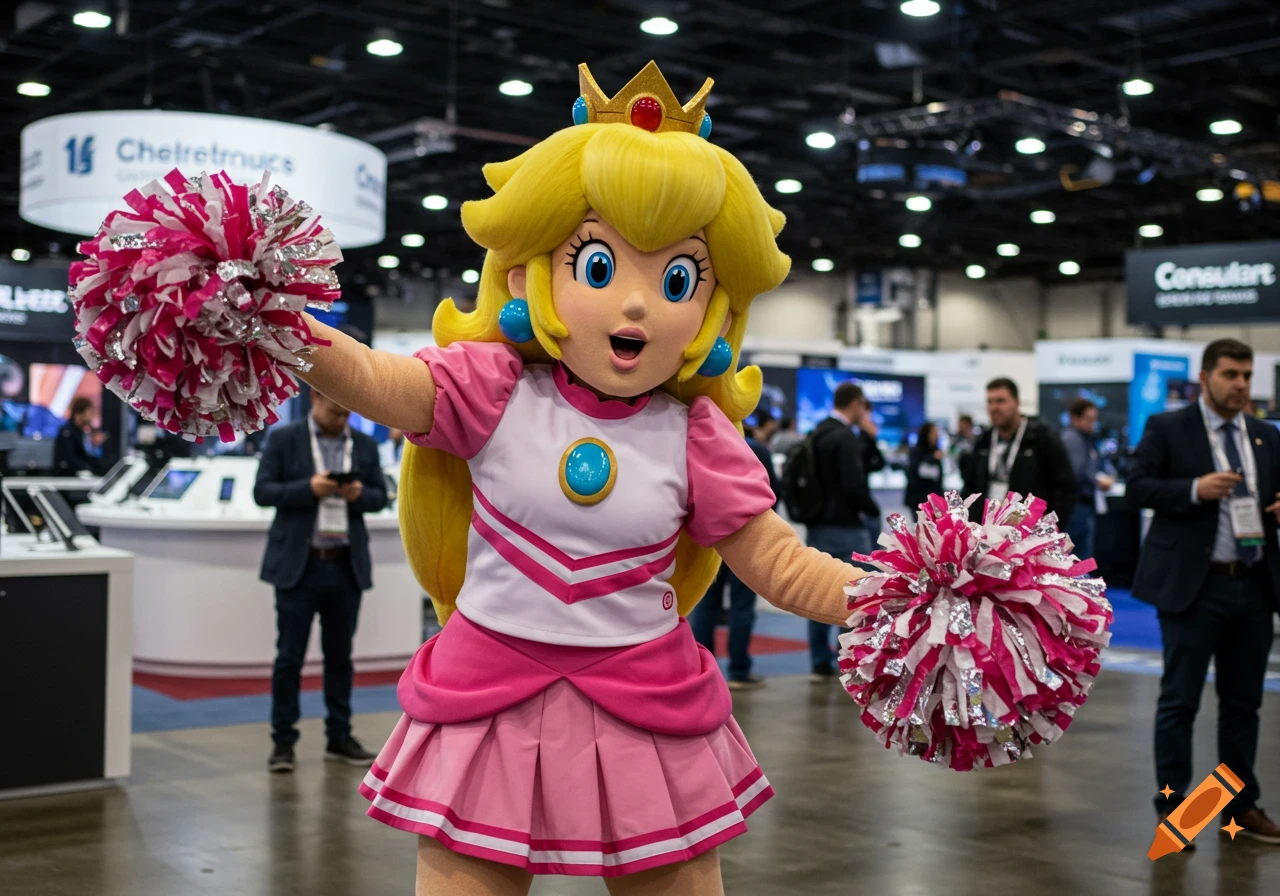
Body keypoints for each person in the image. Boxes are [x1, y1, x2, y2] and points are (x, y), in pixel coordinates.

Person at [284, 61, 868, 890]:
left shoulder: (697, 433)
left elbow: (779, 564)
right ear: (529, 274)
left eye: (675, 280)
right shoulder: (488, 387)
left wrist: (911, 596)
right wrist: (274, 319)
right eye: (599, 266)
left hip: (646, 701)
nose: (636, 307)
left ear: (712, 309)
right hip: (485, 696)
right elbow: (373, 380)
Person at [1127, 338, 1280, 844]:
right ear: (1206, 376)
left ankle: (1239, 808)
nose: (1241, 385)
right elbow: (1139, 486)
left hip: (1254, 586)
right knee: (1180, 702)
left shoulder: (1264, 435)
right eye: (1231, 374)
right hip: (1195, 589)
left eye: (1247, 375)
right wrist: (1194, 489)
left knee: (1243, 706)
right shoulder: (1168, 427)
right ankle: (1176, 812)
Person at [254, 389, 388, 774]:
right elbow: (262, 491)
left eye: (347, 413)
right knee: (289, 659)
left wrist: (360, 494)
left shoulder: (363, 444)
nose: (340, 418)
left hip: (345, 566)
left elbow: (381, 496)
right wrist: (307, 489)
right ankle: (282, 742)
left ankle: (340, 736)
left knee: (340, 659)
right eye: (335, 411)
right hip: (300, 566)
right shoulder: (284, 438)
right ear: (315, 399)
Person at [689, 410, 781, 689]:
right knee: (742, 605)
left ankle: (699, 671)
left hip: (706, 536)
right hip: (747, 536)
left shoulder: (697, 442)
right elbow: (773, 492)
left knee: (706, 602)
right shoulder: (757, 450)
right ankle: (739, 670)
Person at [806, 381, 880, 683]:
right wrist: (870, 509)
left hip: (818, 523)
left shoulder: (817, 433)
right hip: (846, 526)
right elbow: (854, 485)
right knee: (854, 596)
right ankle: (848, 659)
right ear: (855, 404)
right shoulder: (844, 437)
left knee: (816, 593)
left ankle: (819, 661)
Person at [962, 378, 1076, 522]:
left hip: (1028, 531)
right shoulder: (983, 441)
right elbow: (970, 486)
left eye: (1001, 401)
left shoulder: (1041, 438)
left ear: (1017, 402)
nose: (994, 407)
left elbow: (1065, 487)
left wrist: (1050, 527)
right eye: (990, 402)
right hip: (988, 529)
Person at [1059, 398, 1115, 562]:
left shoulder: (1086, 439)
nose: (1094, 424)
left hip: (1084, 506)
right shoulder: (1072, 439)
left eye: (1095, 419)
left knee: (1081, 557)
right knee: (1075, 558)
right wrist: (1098, 481)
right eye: (1089, 420)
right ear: (1075, 419)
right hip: (1076, 507)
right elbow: (1076, 472)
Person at [53, 396, 105, 476]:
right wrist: (87, 468)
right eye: (90, 412)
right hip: (68, 477)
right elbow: (69, 458)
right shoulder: (67, 432)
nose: (92, 417)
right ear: (79, 414)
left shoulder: (81, 432)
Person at [904, 422, 944, 511]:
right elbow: (917, 471)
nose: (937, 435)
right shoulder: (917, 451)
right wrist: (932, 458)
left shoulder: (935, 451)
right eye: (934, 433)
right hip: (919, 499)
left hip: (933, 500)